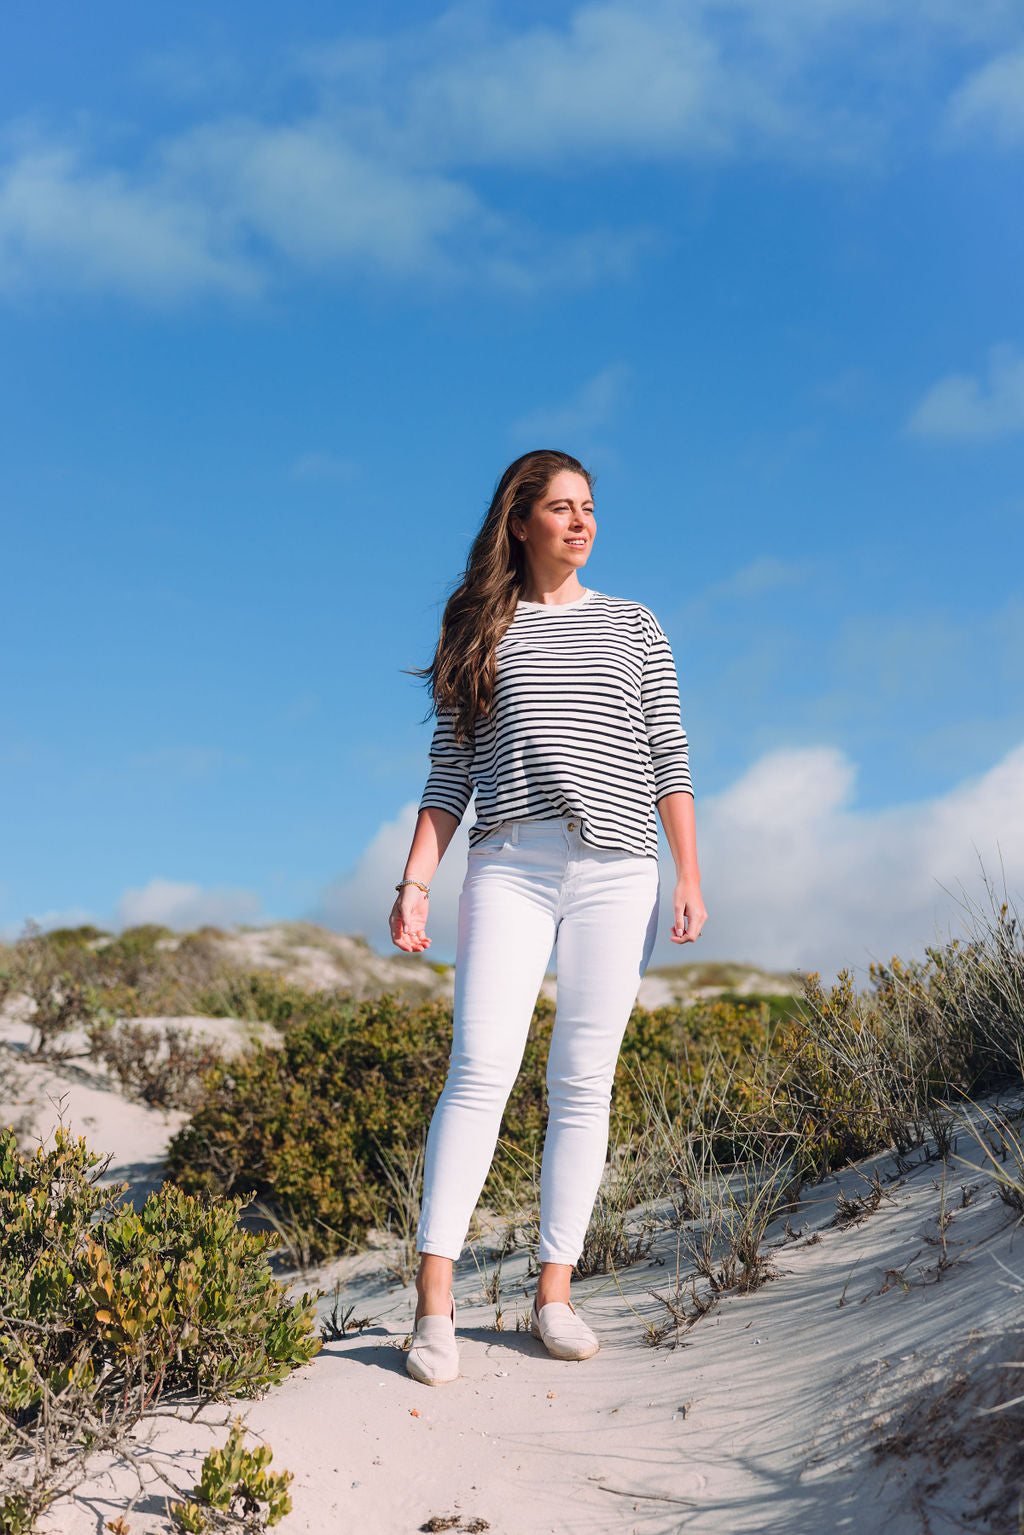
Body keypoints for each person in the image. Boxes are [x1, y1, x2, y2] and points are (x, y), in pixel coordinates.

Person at [389, 448, 706, 1386]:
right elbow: (449, 775)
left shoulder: (635, 627)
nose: (581, 521)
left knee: (583, 1080)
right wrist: (415, 882)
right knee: (480, 1071)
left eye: (590, 508)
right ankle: (433, 1308)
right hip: (511, 865)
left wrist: (689, 871)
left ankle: (554, 1295)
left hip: (621, 872)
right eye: (561, 508)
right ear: (519, 522)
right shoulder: (480, 628)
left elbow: (669, 757)